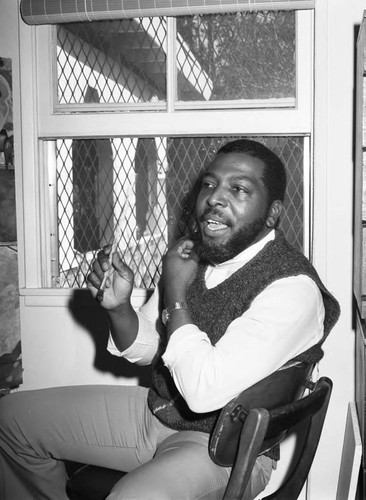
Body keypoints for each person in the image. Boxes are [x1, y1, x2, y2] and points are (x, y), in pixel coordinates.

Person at [0, 139, 340, 500]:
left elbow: (202, 391)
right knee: (11, 419)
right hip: (159, 414)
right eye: (209, 184)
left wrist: (175, 292)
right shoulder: (196, 254)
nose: (214, 198)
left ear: (272, 214)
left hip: (229, 452)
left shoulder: (292, 289)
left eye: (238, 188)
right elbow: (148, 349)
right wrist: (119, 309)